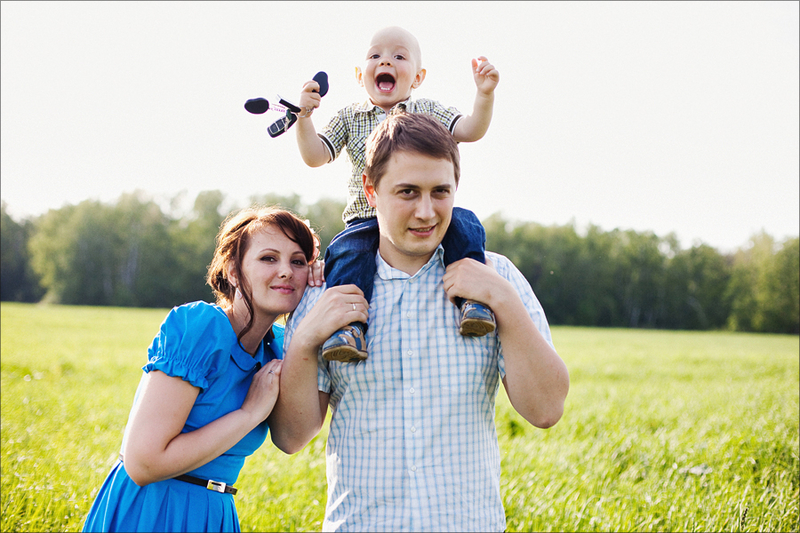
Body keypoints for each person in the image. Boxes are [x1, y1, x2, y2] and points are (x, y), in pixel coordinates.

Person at [270, 112, 570, 532]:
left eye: (440, 191)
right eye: (407, 192)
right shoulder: (327, 293)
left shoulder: (495, 278)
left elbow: (546, 410)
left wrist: (503, 300)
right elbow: (291, 437)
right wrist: (304, 341)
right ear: (371, 191)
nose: (426, 212)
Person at [82, 206, 322, 532]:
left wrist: (317, 311)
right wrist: (248, 414)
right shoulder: (200, 328)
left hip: (215, 513)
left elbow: (292, 440)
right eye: (268, 258)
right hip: (154, 509)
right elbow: (143, 463)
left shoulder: (281, 347)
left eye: (298, 262)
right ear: (234, 271)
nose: (286, 272)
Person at [292, 25, 501, 362]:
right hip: (365, 218)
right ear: (360, 75)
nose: (385, 61)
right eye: (375, 55)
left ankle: (473, 301)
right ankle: (348, 329)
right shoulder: (349, 116)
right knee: (346, 256)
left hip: (422, 209)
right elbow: (316, 156)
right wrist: (304, 118)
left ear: (417, 77)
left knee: (466, 226)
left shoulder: (427, 109)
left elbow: (469, 129)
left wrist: (485, 95)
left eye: (399, 56)